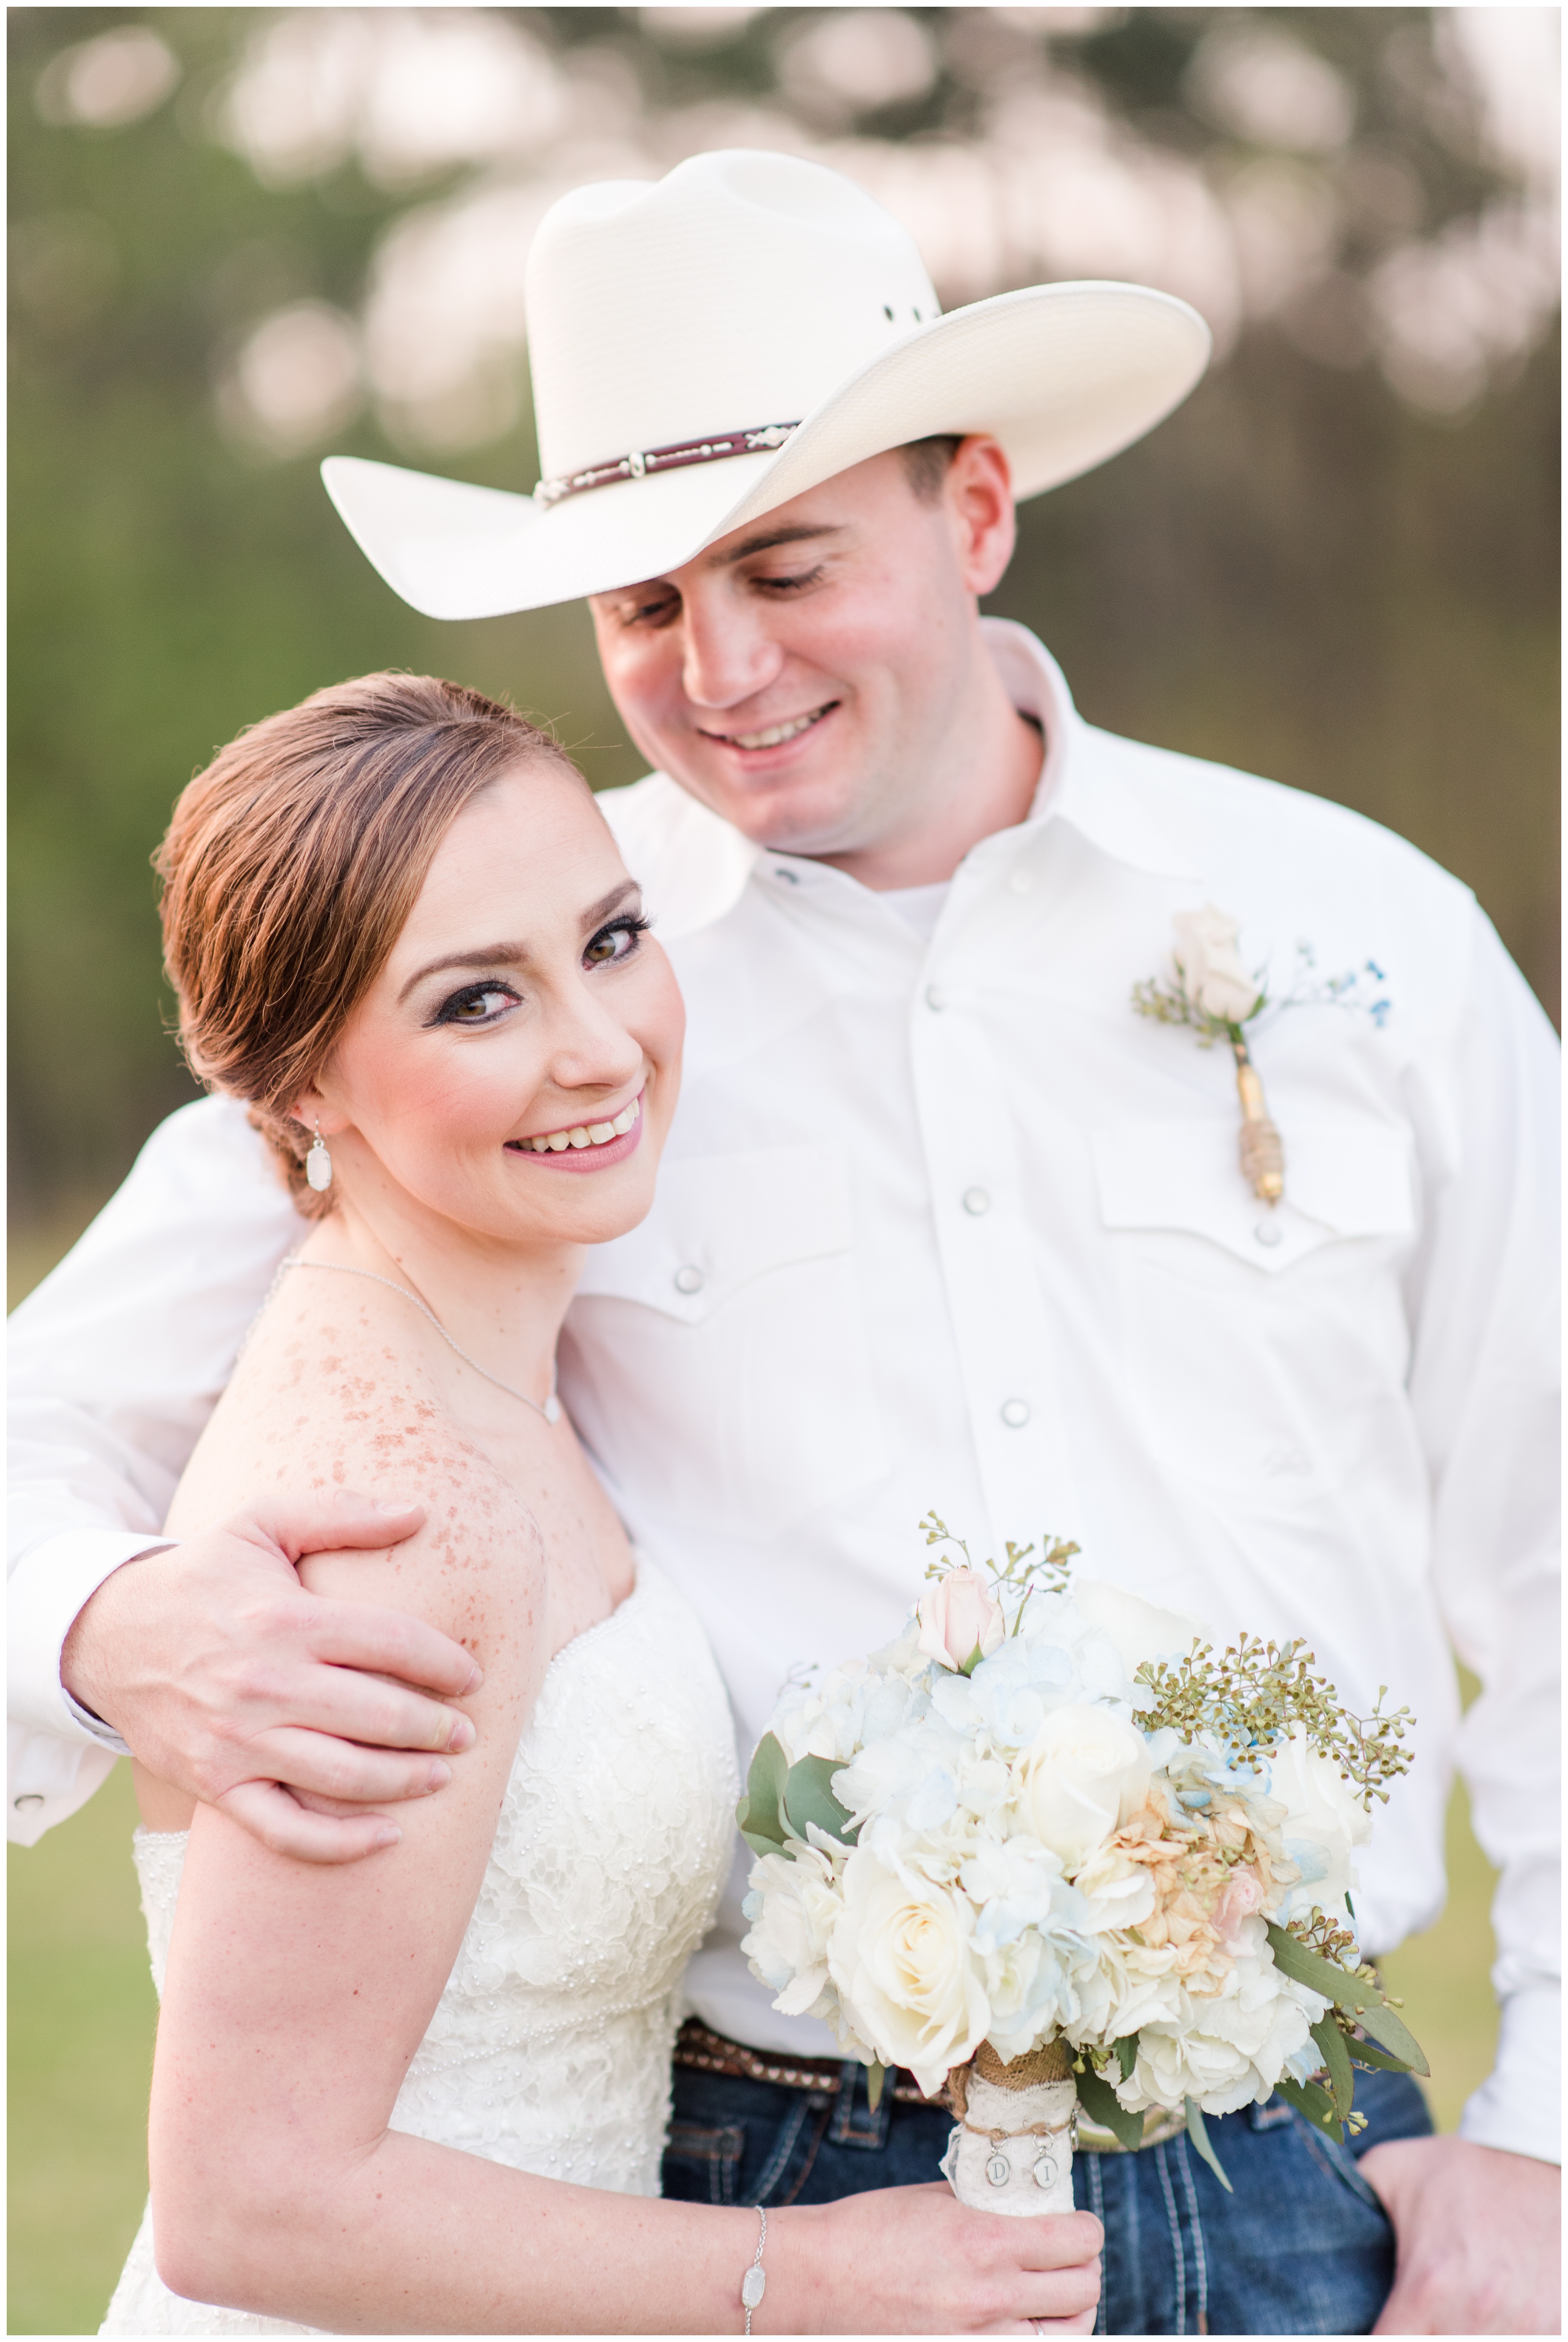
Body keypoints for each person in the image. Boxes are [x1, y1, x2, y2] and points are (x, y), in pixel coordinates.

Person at [10, 150, 1558, 2336]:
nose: (717, 667)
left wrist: (1546, 2134)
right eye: (640, 603)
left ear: (979, 511)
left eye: (785, 565)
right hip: (760, 2178)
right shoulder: (532, 973)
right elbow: (39, 1417)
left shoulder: (1360, 937)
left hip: (1324, 2178)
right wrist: (106, 1622)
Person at [92, 668, 1099, 2336]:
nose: (598, 1045)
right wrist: (803, 2274)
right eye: (475, 1002)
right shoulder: (386, 1511)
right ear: (299, 1089)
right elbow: (248, 2196)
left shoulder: (488, 1381)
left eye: (612, 938)